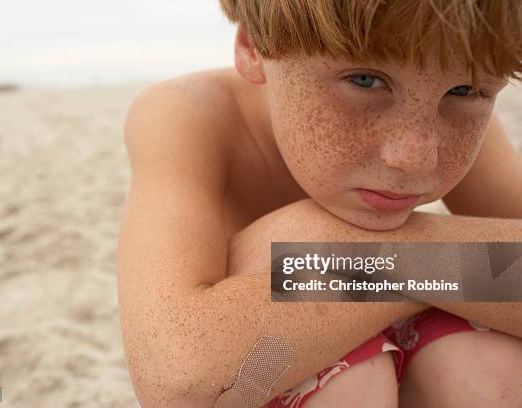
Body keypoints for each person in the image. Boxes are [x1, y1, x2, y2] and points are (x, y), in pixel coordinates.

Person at [118, 1, 522, 407]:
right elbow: (180, 377)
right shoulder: (190, 113)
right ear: (254, 48)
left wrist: (376, 262)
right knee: (348, 382)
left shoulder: (449, 121)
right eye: (365, 79)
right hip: (264, 368)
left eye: (465, 90)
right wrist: (437, 270)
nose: (415, 156)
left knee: (487, 367)